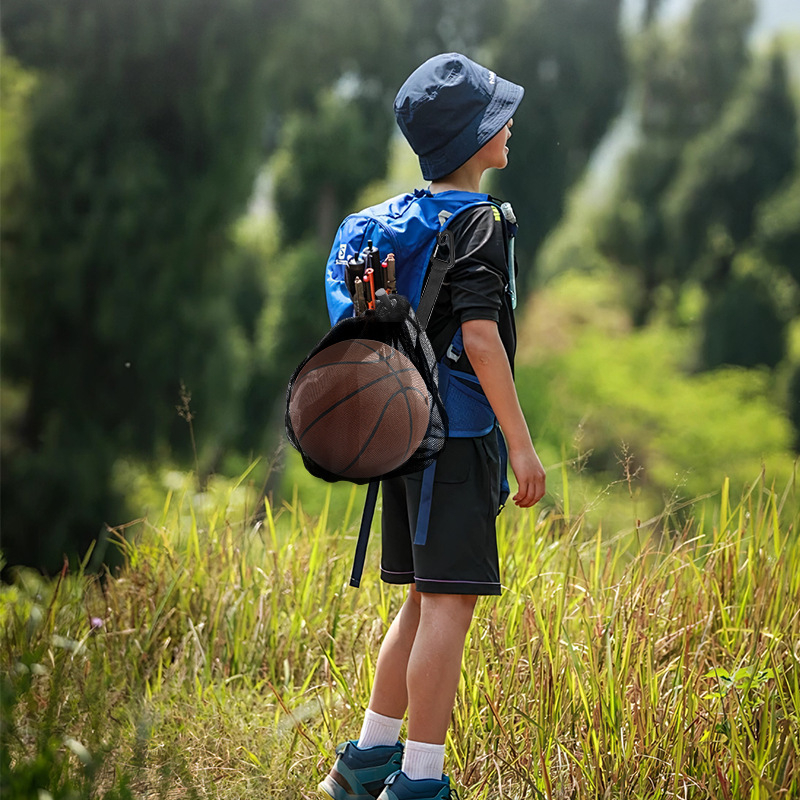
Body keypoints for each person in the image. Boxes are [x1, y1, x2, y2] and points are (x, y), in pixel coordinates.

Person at [319, 52, 547, 800]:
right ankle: (419, 782)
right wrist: (522, 448)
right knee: (449, 604)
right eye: (496, 118)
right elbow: (480, 339)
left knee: (423, 597)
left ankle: (366, 761)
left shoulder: (391, 224)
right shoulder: (479, 223)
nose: (509, 125)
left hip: (402, 432)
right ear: (470, 141)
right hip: (460, 440)